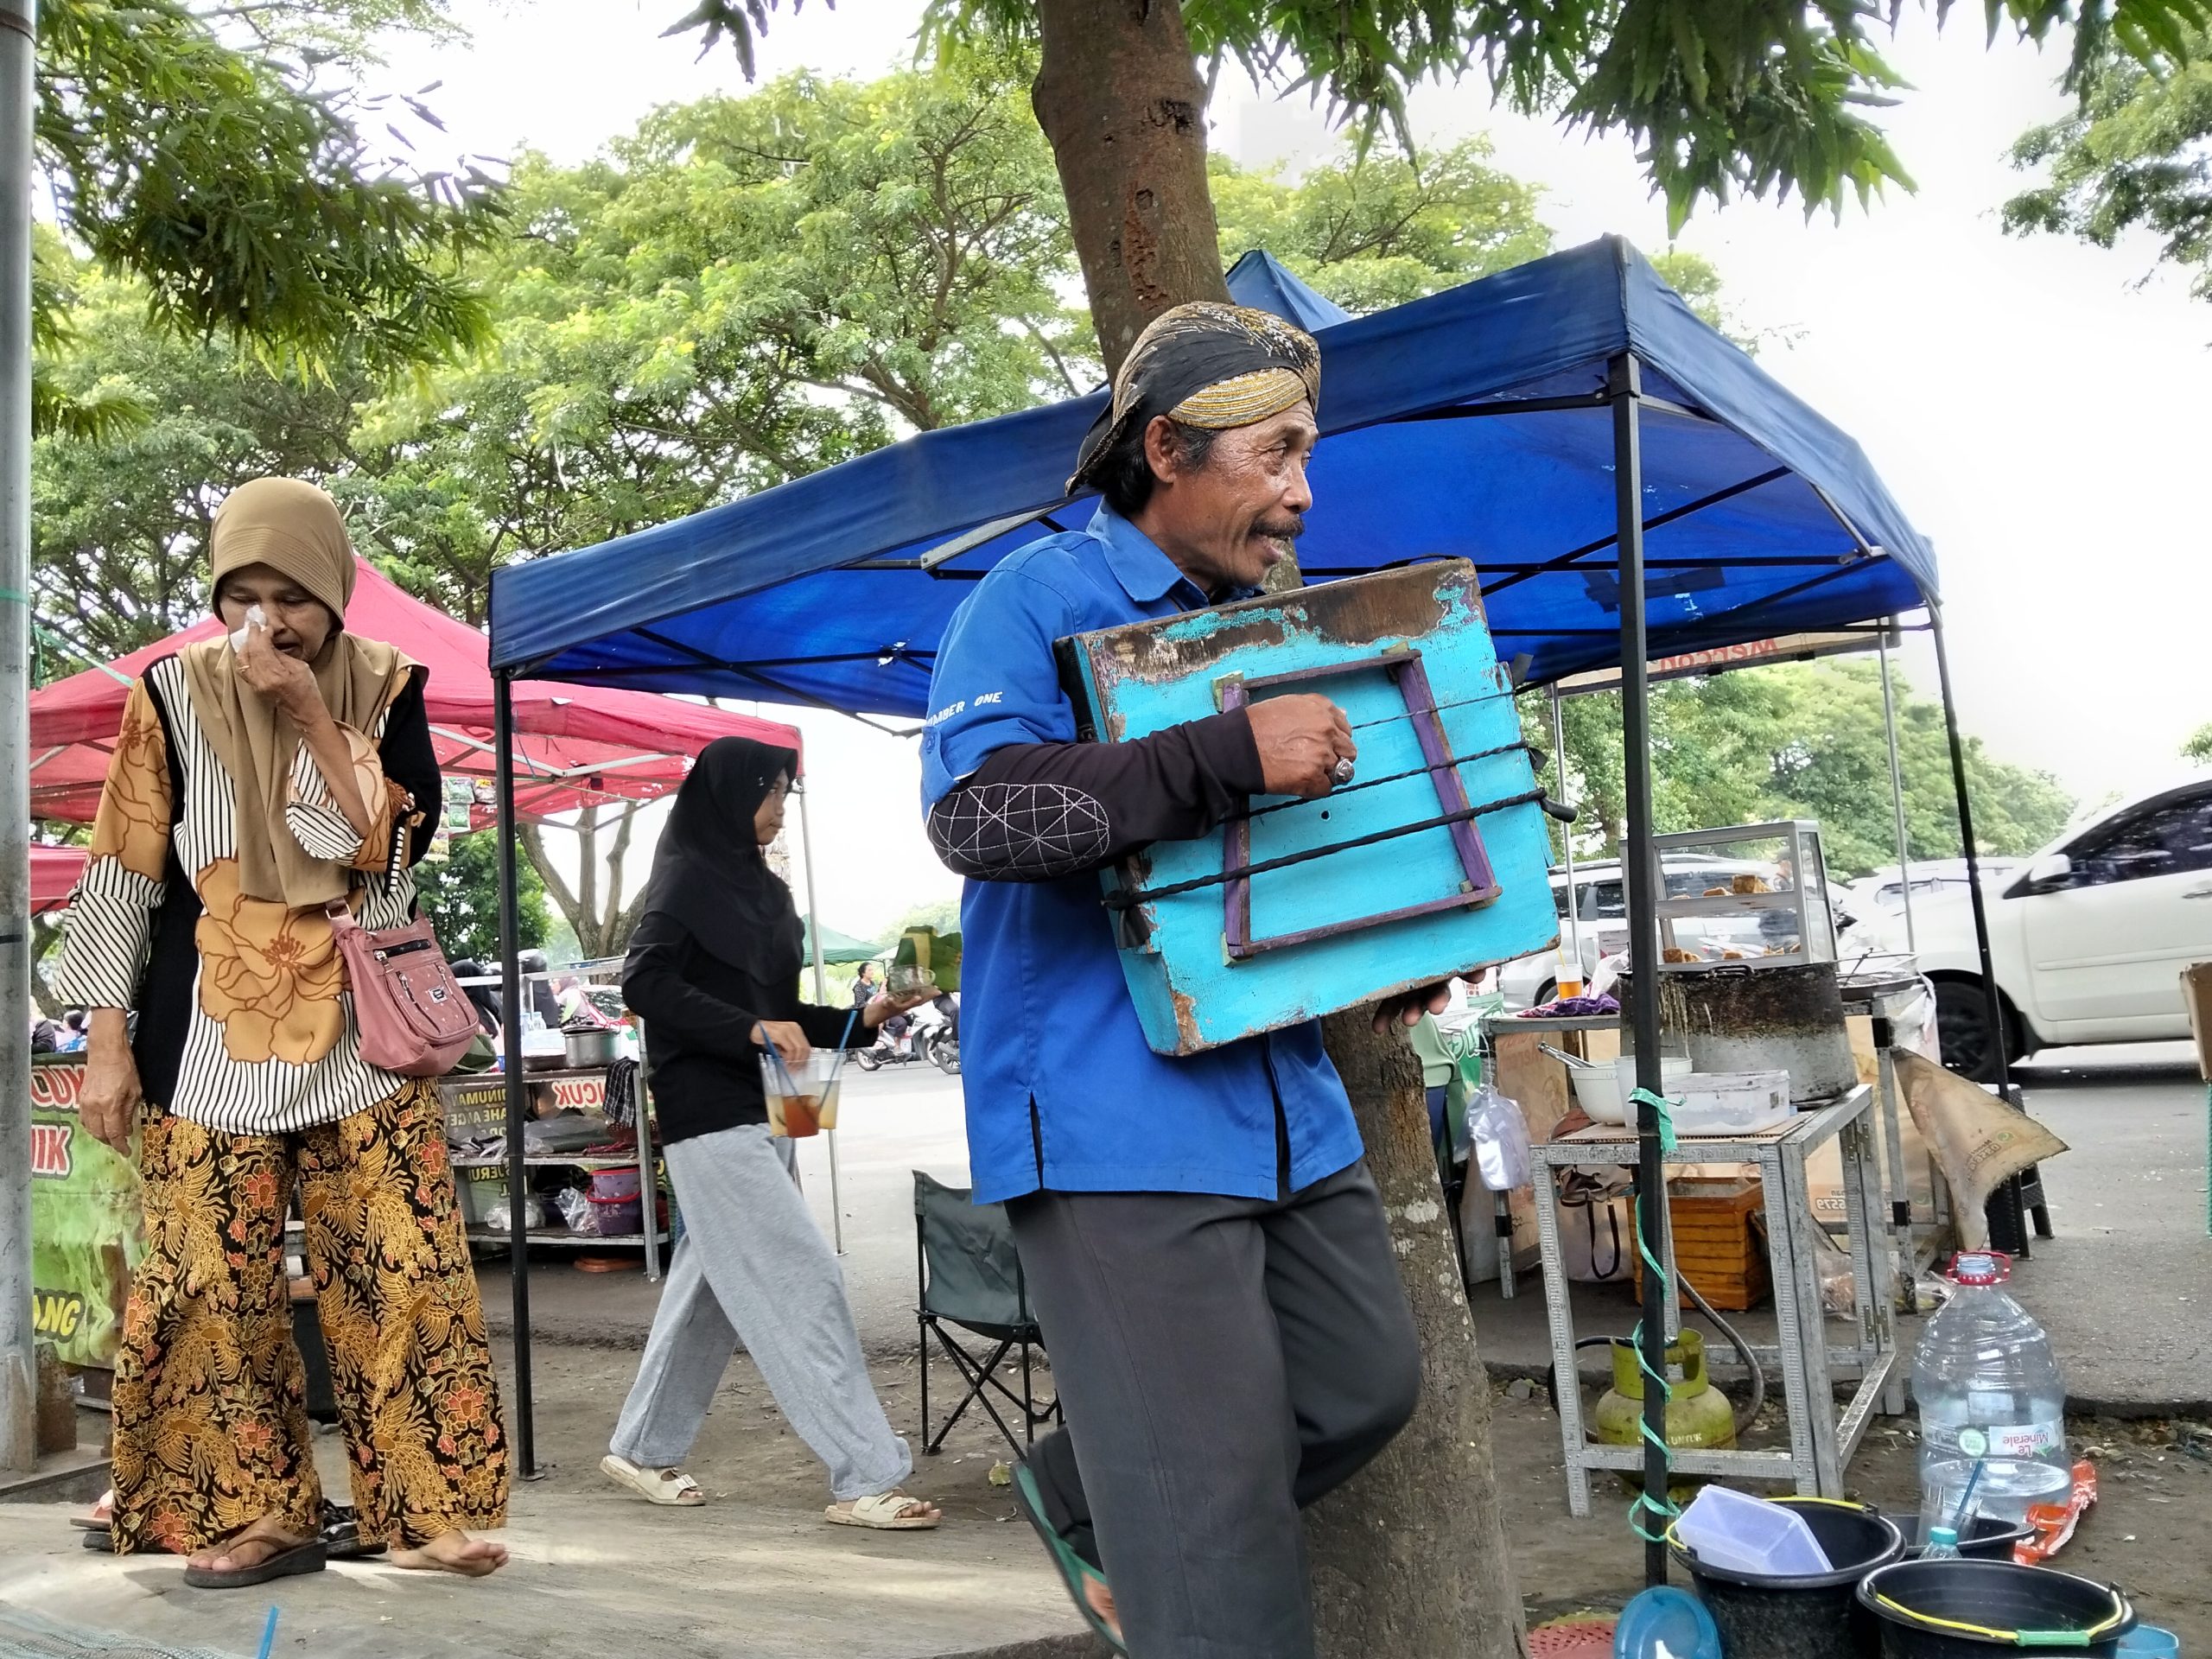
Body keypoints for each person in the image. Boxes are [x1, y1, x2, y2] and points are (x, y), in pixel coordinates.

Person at [918, 302, 1454, 1656]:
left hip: (1282, 1104)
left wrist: (1376, 960)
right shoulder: (1036, 597)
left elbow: (1276, 874)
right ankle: (1168, 1542)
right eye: (1274, 454)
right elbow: (976, 818)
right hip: (1117, 1124)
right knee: (1215, 1522)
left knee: (1361, 1388)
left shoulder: (1263, 627)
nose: (1301, 492)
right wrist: (1221, 756)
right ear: (1167, 448)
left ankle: (1093, 1486)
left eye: (1306, 456)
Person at [54, 477, 508, 1586]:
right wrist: (106, 1045)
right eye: (244, 594)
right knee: (211, 1286)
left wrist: (307, 709)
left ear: (334, 593)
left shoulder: (388, 688)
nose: (270, 620)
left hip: (363, 1034)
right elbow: (122, 872)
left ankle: (425, 1515)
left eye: (293, 593)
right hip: (205, 1040)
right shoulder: (165, 694)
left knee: (399, 1270)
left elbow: (378, 851)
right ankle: (261, 1516)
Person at [601, 736, 940, 1529]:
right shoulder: (683, 880)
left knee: (710, 1290)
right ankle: (865, 1475)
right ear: (731, 794)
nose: (780, 809)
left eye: (786, 794)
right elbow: (644, 981)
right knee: (802, 1276)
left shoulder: (767, 892)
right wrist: (751, 1029)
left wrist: (864, 1019)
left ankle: (642, 1447)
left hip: (769, 1105)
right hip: (705, 1112)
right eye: (772, 793)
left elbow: (781, 1014)